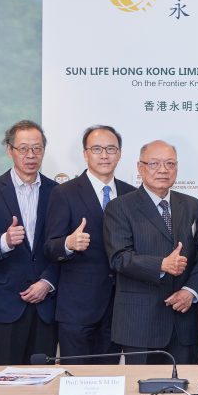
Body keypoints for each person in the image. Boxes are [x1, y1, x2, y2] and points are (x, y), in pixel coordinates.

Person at [104, 140, 198, 364]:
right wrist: (160, 265)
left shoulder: (193, 206)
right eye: (154, 164)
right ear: (140, 168)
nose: (163, 170)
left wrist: (191, 290)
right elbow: (119, 258)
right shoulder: (120, 207)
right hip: (140, 325)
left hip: (185, 322)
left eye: (170, 164)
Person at [43, 125, 135, 363]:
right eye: (97, 149)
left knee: (109, 382)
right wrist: (68, 243)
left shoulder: (131, 194)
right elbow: (49, 247)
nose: (104, 155)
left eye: (111, 149)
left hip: (119, 307)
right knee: (76, 381)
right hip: (78, 309)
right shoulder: (64, 193)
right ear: (85, 154)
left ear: (120, 153)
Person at [0, 120, 59, 365]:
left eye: (37, 148)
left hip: (45, 307)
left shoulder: (58, 192)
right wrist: (5, 242)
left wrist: (47, 282)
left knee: (43, 383)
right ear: (10, 150)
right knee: (2, 385)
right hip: (3, 307)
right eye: (23, 148)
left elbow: (61, 248)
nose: (31, 155)